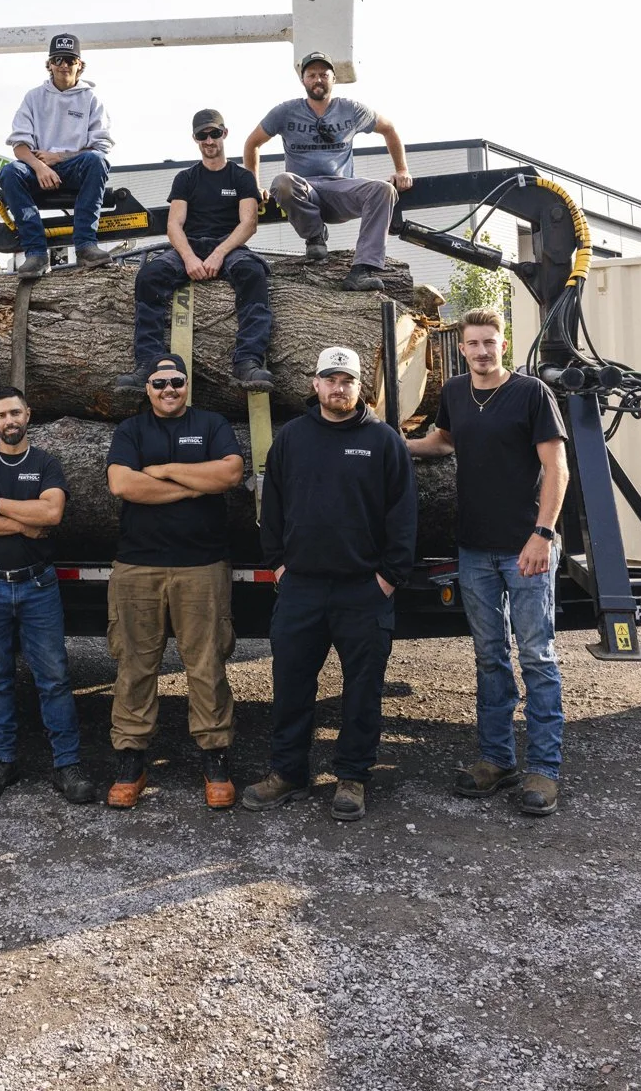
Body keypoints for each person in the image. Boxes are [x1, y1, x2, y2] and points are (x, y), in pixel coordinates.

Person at [243, 344, 416, 821]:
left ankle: (353, 776)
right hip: (301, 589)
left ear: (360, 388)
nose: (338, 388)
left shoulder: (383, 441)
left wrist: (387, 579)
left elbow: (403, 517)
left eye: (348, 381)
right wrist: (278, 565)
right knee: (291, 684)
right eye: (330, 379)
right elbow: (271, 508)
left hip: (364, 590)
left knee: (363, 689)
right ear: (314, 384)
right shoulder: (293, 438)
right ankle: (287, 772)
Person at [407, 307, 569, 816]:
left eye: (490, 343)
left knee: (537, 657)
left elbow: (556, 466)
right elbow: (445, 441)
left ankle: (544, 770)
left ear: (503, 343)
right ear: (462, 348)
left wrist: (542, 535)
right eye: (473, 343)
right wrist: (394, 443)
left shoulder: (530, 394)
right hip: (474, 549)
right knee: (489, 656)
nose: (481, 351)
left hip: (526, 548)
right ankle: (497, 760)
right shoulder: (454, 393)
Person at [105, 353, 244, 810]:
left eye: (177, 382)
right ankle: (131, 759)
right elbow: (124, 485)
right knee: (135, 665)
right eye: (160, 382)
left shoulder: (212, 423)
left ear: (188, 386)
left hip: (202, 566)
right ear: (148, 388)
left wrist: (162, 472)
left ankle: (215, 758)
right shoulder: (130, 431)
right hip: (137, 568)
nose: (169, 389)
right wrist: (195, 485)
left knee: (206, 665)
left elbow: (229, 473)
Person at [0, 386, 96, 805]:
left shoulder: (45, 463)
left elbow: (51, 513)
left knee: (53, 677)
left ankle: (67, 766)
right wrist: (22, 521)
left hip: (37, 586)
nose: (9, 421)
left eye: (15, 412)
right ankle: (2, 761)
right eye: (1, 415)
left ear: (28, 414)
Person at [115, 108, 273, 392]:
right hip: (190, 245)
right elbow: (174, 225)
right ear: (195, 139)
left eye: (214, 133)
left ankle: (247, 363)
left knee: (252, 273)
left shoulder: (241, 177)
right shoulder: (185, 178)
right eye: (203, 135)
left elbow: (248, 224)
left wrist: (218, 254)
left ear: (225, 133)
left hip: (229, 245)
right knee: (149, 277)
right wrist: (188, 257)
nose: (209, 140)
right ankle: (148, 367)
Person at [242, 50, 413, 291]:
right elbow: (252, 143)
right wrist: (252, 187)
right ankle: (315, 236)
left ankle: (362, 270)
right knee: (282, 182)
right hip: (305, 190)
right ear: (303, 80)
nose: (318, 79)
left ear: (333, 79)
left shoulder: (351, 110)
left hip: (341, 189)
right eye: (311, 75)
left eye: (324, 74)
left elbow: (389, 129)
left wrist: (402, 169)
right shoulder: (285, 112)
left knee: (383, 190)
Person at [0, 32, 115, 279]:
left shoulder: (92, 99)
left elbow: (100, 146)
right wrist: (41, 167)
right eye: (58, 59)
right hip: (38, 169)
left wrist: (58, 158)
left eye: (70, 60)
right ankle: (36, 253)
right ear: (49, 64)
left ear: (79, 65)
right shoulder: (33, 97)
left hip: (73, 168)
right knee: (10, 172)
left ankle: (85, 245)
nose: (64, 65)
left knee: (97, 161)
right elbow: (19, 145)